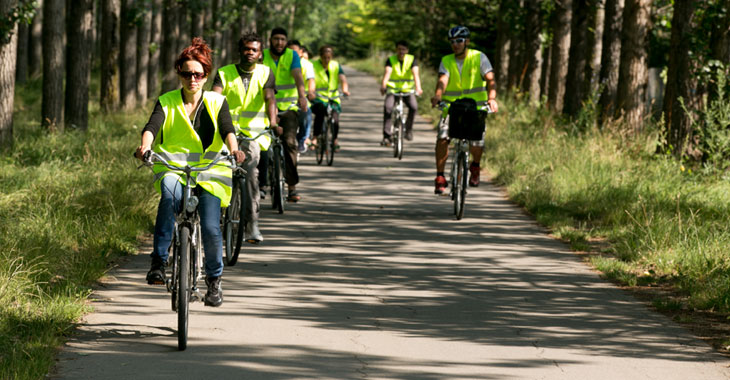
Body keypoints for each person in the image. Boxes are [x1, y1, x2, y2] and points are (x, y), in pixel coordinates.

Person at [136, 37, 245, 307]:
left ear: (206, 75)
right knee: (169, 201)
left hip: (211, 169)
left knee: (209, 225)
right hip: (174, 167)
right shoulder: (167, 100)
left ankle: (214, 282)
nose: (192, 79)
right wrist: (145, 147)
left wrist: (234, 151)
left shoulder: (217, 101)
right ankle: (158, 263)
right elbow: (152, 126)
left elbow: (228, 129)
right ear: (179, 74)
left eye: (197, 74)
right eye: (186, 73)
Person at [212, 32, 278, 244]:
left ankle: (252, 224)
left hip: (252, 135)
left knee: (250, 174)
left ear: (260, 54)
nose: (250, 52)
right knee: (213, 172)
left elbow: (269, 99)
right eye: (246, 48)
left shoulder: (266, 73)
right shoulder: (224, 73)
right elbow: (214, 98)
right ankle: (211, 220)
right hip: (223, 133)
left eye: (254, 50)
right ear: (239, 51)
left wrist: (274, 122)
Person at [430, 26, 498, 194]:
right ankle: (440, 177)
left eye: (459, 41)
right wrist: (438, 95)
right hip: (452, 108)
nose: (456, 45)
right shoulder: (447, 60)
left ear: (467, 41)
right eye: (452, 42)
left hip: (476, 108)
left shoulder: (479, 57)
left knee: (477, 141)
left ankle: (475, 167)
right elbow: (442, 81)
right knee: (442, 137)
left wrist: (492, 98)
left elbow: (490, 80)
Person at [262, 27, 308, 202]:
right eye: (276, 39)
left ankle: (291, 187)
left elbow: (298, 76)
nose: (279, 42)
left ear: (286, 42)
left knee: (289, 143)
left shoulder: (292, 56)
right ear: (270, 40)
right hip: (265, 108)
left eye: (282, 39)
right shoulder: (262, 55)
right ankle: (260, 186)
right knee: (262, 147)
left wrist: (302, 96)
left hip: (288, 107)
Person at [379, 40, 423, 146]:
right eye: (399, 49)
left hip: (407, 90)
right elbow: (387, 73)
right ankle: (387, 136)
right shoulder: (391, 60)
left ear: (407, 50)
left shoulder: (412, 60)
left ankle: (408, 130)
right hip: (393, 90)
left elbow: (416, 74)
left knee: (413, 107)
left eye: (403, 49)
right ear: (396, 50)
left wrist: (418, 88)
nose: (401, 51)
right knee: (388, 108)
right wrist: (383, 85)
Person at [311, 45, 350, 151]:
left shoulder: (336, 65)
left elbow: (343, 79)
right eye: (324, 57)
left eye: (329, 57)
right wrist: (311, 92)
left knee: (335, 119)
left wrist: (345, 89)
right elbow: (311, 79)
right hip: (319, 97)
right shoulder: (313, 65)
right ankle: (315, 137)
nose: (326, 60)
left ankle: (335, 139)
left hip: (333, 97)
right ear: (320, 56)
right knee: (320, 113)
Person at [287, 40, 316, 153]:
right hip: (283, 100)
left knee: (306, 115)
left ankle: (302, 139)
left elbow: (311, 80)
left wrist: (311, 92)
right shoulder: (282, 62)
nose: (292, 53)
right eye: (290, 50)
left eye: (294, 50)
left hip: (301, 99)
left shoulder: (307, 64)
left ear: (300, 52)